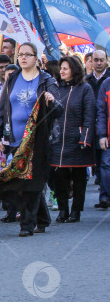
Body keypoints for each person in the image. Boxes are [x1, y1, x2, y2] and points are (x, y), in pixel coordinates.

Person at [0, 42, 62, 236]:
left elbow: (59, 110)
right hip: (15, 140)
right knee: (21, 182)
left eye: (28, 55)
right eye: (20, 55)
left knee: (30, 182)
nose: (23, 58)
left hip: (38, 140)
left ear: (36, 58)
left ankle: (27, 225)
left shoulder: (46, 80)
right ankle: (42, 218)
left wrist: (51, 100)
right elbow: (3, 108)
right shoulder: (13, 78)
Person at [52, 56, 94, 223]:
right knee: (59, 177)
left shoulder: (85, 89)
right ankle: (63, 210)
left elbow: (90, 115)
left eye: (65, 68)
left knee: (78, 178)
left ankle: (76, 211)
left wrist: (85, 138)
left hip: (77, 140)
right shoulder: (56, 89)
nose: (61, 71)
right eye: (61, 68)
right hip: (57, 141)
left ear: (74, 70)